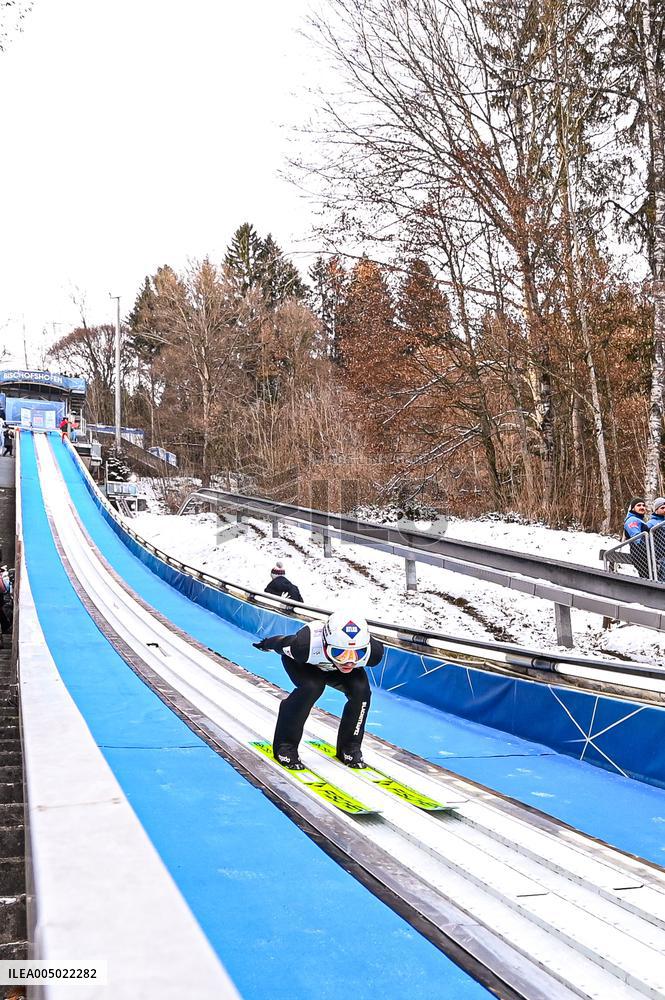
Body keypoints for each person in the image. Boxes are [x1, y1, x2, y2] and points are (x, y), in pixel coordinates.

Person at [253, 607, 384, 770]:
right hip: (304, 665)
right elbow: (282, 643)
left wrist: (343, 657)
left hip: (333, 668)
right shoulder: (304, 646)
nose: (349, 661)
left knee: (361, 691)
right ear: (325, 644)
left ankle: (350, 747)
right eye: (340, 653)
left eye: (358, 654)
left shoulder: (373, 653)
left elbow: (351, 662)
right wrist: (266, 644)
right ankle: (285, 746)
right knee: (312, 687)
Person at [622, 496, 650, 578]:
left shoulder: (640, 520)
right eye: (638, 505)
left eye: (643, 505)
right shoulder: (632, 520)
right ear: (633, 508)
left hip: (646, 555)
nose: (642, 507)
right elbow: (637, 539)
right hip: (641, 555)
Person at [648, 497, 665, 582]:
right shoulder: (651, 523)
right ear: (656, 510)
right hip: (660, 556)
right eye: (662, 508)